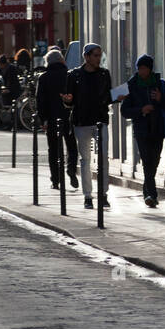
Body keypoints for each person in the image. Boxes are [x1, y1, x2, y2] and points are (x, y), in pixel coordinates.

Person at [121, 54, 165, 206]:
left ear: (150, 69)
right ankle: (152, 195)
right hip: (141, 130)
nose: (141, 71)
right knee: (147, 161)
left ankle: (147, 192)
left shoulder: (161, 84)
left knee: (154, 161)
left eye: (144, 68)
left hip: (158, 129)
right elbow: (124, 111)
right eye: (139, 68)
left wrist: (160, 98)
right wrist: (141, 110)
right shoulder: (132, 85)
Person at [61, 43, 112, 211]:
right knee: (85, 160)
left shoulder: (104, 74)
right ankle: (88, 196)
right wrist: (67, 100)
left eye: (100, 55)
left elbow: (108, 96)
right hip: (81, 121)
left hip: (100, 121)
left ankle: (103, 194)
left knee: (104, 158)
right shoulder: (74, 75)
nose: (99, 59)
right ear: (87, 57)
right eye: (96, 55)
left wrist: (119, 96)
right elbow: (69, 102)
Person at [35, 48, 79, 189]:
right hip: (68, 117)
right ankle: (71, 168)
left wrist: (43, 120)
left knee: (53, 150)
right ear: (61, 60)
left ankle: (55, 180)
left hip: (52, 119)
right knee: (71, 146)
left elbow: (40, 101)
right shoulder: (69, 75)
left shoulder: (44, 78)